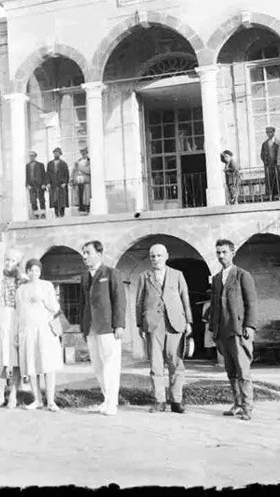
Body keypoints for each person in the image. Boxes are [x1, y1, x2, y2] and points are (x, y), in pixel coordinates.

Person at [135, 244, 193, 414]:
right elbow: (139, 302)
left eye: (159, 256)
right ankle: (159, 400)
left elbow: (185, 298)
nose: (156, 259)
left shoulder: (177, 275)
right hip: (153, 325)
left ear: (167, 256)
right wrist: (139, 324)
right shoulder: (144, 277)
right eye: (153, 256)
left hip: (175, 324)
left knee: (176, 363)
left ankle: (176, 401)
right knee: (156, 365)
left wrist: (188, 322)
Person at [208, 239, 258, 421]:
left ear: (232, 253)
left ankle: (247, 407)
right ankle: (237, 404)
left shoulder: (242, 275)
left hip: (238, 331)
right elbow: (214, 306)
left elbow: (251, 303)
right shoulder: (215, 278)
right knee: (230, 371)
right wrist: (212, 329)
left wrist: (250, 326)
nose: (221, 256)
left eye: (224, 252)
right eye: (218, 253)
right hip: (222, 332)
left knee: (243, 371)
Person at [79, 240, 125, 416]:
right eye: (83, 252)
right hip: (91, 328)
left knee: (110, 365)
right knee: (98, 367)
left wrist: (119, 324)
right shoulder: (84, 277)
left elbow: (119, 300)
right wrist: (83, 328)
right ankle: (106, 399)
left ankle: (112, 402)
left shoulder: (111, 273)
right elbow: (82, 303)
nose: (84, 256)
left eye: (87, 252)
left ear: (99, 254)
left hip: (108, 327)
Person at [16, 258, 63, 412]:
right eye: (31, 270)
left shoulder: (46, 285)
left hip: (44, 330)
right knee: (32, 365)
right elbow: (19, 313)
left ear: (40, 271)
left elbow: (55, 308)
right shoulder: (21, 289)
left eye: (37, 270)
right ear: (27, 272)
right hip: (28, 331)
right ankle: (37, 400)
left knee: (47, 364)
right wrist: (18, 332)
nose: (33, 273)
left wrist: (43, 299)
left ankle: (50, 401)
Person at [0, 248, 25, 409]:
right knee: (1, 362)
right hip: (1, 323)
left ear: (18, 263)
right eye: (7, 260)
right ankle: (0, 396)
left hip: (17, 325)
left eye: (13, 261)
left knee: (15, 363)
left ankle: (13, 396)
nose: (9, 263)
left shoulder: (23, 280)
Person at [46, 147, 70, 218]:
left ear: (60, 154)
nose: (56, 154)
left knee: (62, 200)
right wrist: (48, 183)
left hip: (61, 185)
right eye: (55, 152)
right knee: (55, 200)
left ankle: (62, 213)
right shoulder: (49, 164)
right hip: (53, 184)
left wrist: (65, 182)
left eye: (58, 153)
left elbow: (66, 174)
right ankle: (56, 213)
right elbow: (47, 174)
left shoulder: (64, 163)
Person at [259, 126, 280, 200]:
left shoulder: (278, 142)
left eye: (271, 132)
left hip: (277, 165)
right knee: (269, 180)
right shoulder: (264, 144)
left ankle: (279, 195)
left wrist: (278, 162)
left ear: (274, 132)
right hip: (268, 166)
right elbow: (262, 155)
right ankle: (270, 195)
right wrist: (266, 162)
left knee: (278, 179)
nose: (269, 134)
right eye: (267, 132)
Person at [26, 150, 47, 219]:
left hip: (39, 185)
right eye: (30, 156)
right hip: (31, 186)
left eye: (33, 156)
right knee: (33, 201)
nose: (31, 157)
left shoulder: (40, 165)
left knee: (41, 200)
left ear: (35, 156)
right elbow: (26, 176)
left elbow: (44, 175)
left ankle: (43, 213)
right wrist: (27, 184)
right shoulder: (27, 166)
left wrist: (44, 184)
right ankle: (36, 214)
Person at [72, 146, 91, 214]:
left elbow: (88, 170)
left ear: (86, 153)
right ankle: (80, 208)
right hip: (78, 182)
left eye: (84, 153)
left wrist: (79, 166)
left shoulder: (89, 161)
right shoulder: (78, 161)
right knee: (79, 196)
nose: (83, 154)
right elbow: (73, 171)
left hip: (85, 181)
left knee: (86, 197)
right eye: (82, 153)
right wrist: (72, 179)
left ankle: (86, 209)